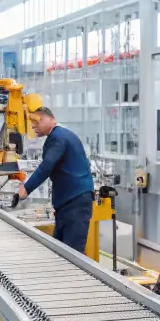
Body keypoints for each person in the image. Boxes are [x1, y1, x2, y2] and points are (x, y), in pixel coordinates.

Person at [17, 107, 95, 253]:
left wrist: (26, 189)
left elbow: (46, 167)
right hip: (68, 203)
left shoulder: (58, 138)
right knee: (61, 252)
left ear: (50, 119)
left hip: (75, 202)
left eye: (36, 121)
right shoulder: (60, 135)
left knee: (72, 256)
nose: (33, 126)